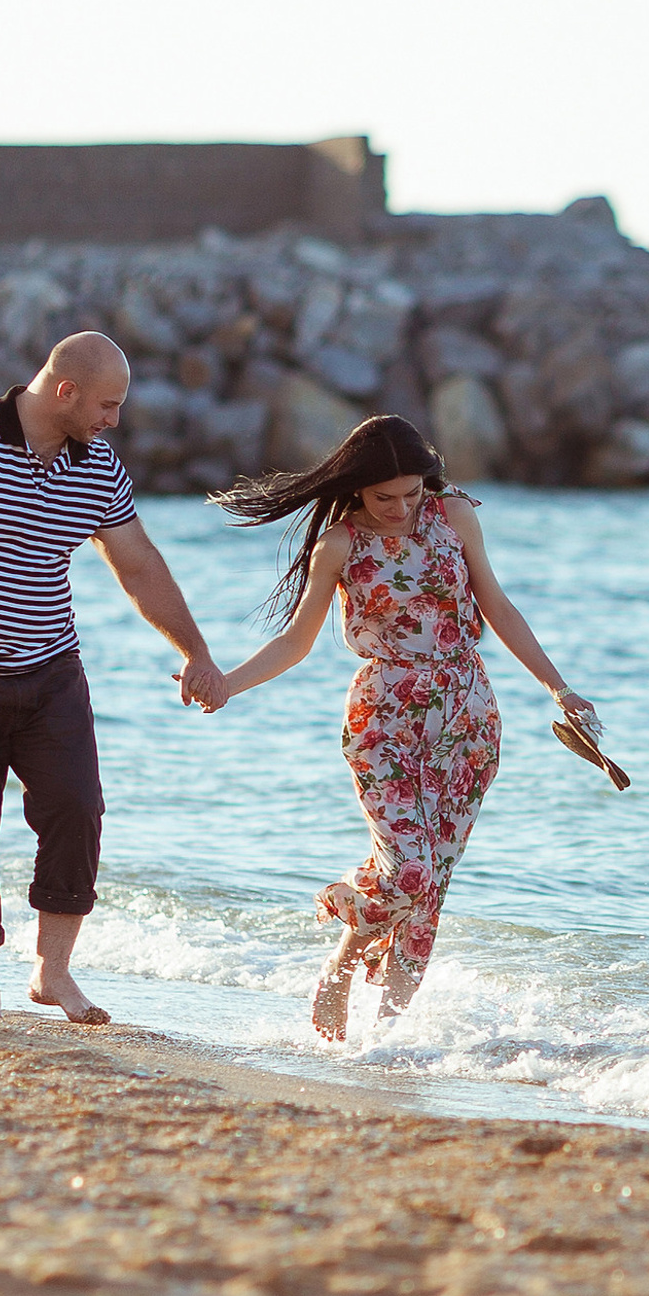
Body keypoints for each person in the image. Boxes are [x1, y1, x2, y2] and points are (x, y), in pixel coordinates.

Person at [210, 416, 599, 1041]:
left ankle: (385, 1046)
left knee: (429, 892)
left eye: (412, 493)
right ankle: (339, 967)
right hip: (384, 717)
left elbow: (496, 606)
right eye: (384, 497)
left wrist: (559, 686)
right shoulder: (338, 546)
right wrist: (228, 683)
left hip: (468, 713)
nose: (401, 509)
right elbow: (297, 641)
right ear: (357, 490)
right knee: (408, 871)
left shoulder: (454, 515)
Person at [0, 332, 229, 1023]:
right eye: (107, 404)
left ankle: (53, 974)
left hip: (51, 672)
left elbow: (138, 564)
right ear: (65, 390)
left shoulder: (98, 465)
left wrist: (196, 650)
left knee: (77, 809)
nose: (114, 420)